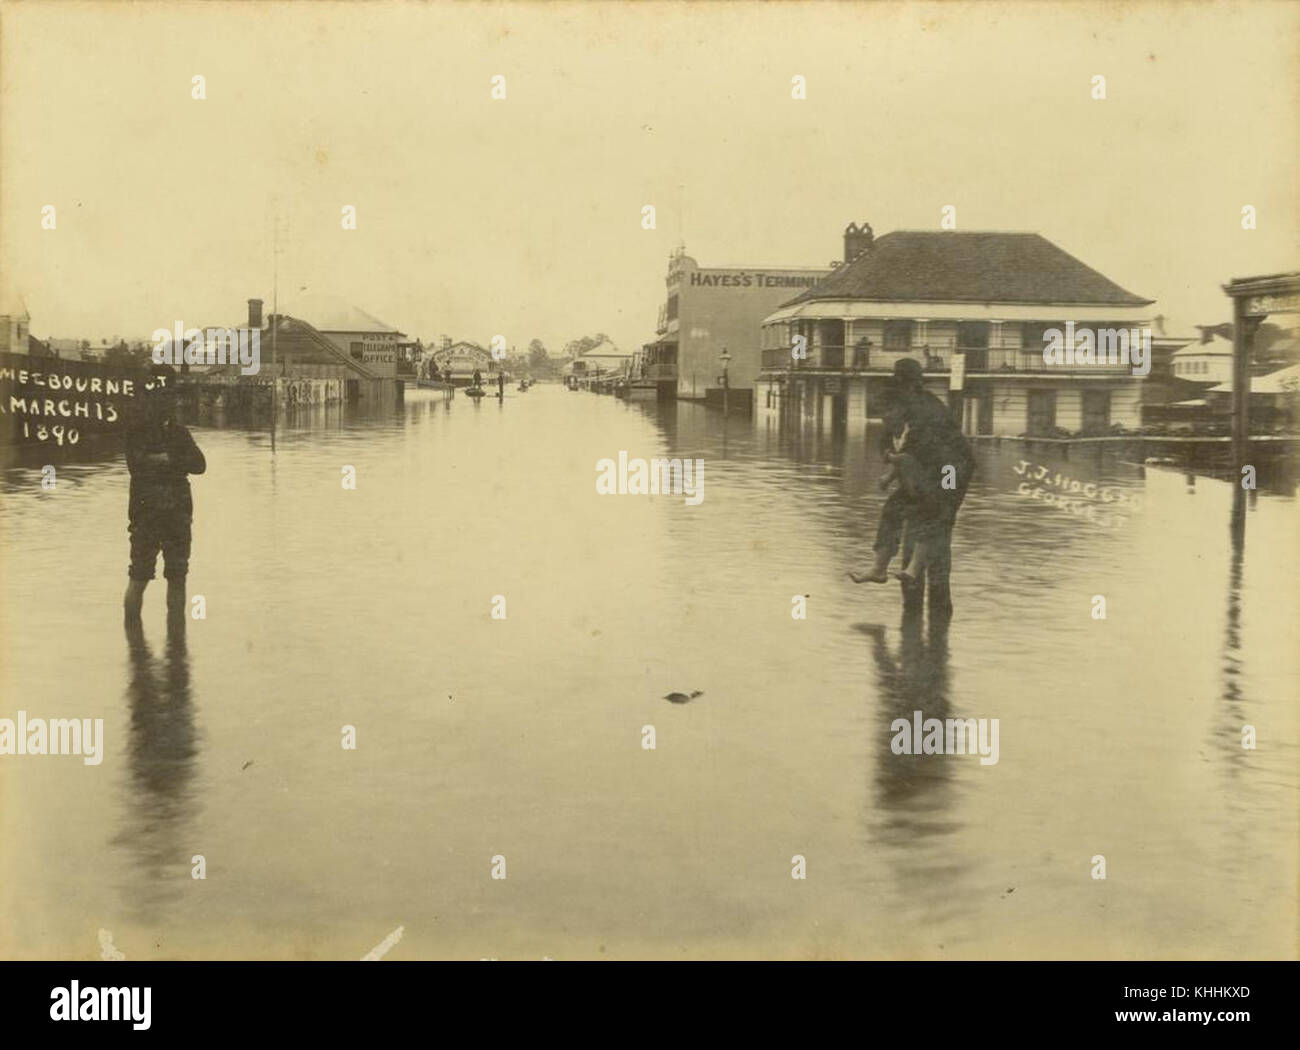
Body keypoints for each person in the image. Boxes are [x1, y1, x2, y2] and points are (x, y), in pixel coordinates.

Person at [850, 357, 973, 585]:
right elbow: (898, 450)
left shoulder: (927, 409)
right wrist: (890, 469)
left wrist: (893, 466)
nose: (886, 415)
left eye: (905, 385)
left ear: (915, 384)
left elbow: (913, 455)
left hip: (954, 466)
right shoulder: (899, 408)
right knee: (893, 508)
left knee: (937, 510)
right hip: (926, 465)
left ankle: (914, 569)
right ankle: (879, 569)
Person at [123, 365, 206, 624]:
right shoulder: (175, 434)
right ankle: (173, 650)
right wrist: (174, 460)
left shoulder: (139, 433)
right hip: (169, 513)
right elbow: (194, 464)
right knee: (169, 577)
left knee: (143, 577)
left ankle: (139, 650)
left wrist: (162, 460)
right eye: (163, 396)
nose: (166, 402)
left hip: (154, 513)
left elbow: (200, 465)